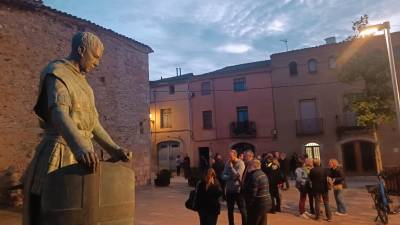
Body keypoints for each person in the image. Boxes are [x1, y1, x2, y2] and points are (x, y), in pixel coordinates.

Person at [22, 32, 131, 225]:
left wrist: (115, 149)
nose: (97, 63)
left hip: (84, 154)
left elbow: (94, 124)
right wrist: (80, 147)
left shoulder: (86, 87)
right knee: (54, 211)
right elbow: (59, 114)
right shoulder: (56, 72)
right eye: (95, 56)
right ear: (81, 50)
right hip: (60, 150)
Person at [222, 149, 247, 225]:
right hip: (229, 190)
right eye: (229, 156)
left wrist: (231, 168)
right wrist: (230, 177)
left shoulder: (241, 163)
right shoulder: (227, 163)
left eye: (231, 156)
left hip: (238, 190)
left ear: (235, 155)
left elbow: (238, 176)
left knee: (242, 210)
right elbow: (223, 175)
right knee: (230, 210)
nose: (229, 158)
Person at [243, 160, 271, 225]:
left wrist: (249, 204)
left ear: (253, 166)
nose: (247, 168)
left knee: (253, 222)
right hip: (266, 202)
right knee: (262, 222)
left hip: (258, 204)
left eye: (248, 166)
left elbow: (253, 193)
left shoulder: (254, 176)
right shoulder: (263, 173)